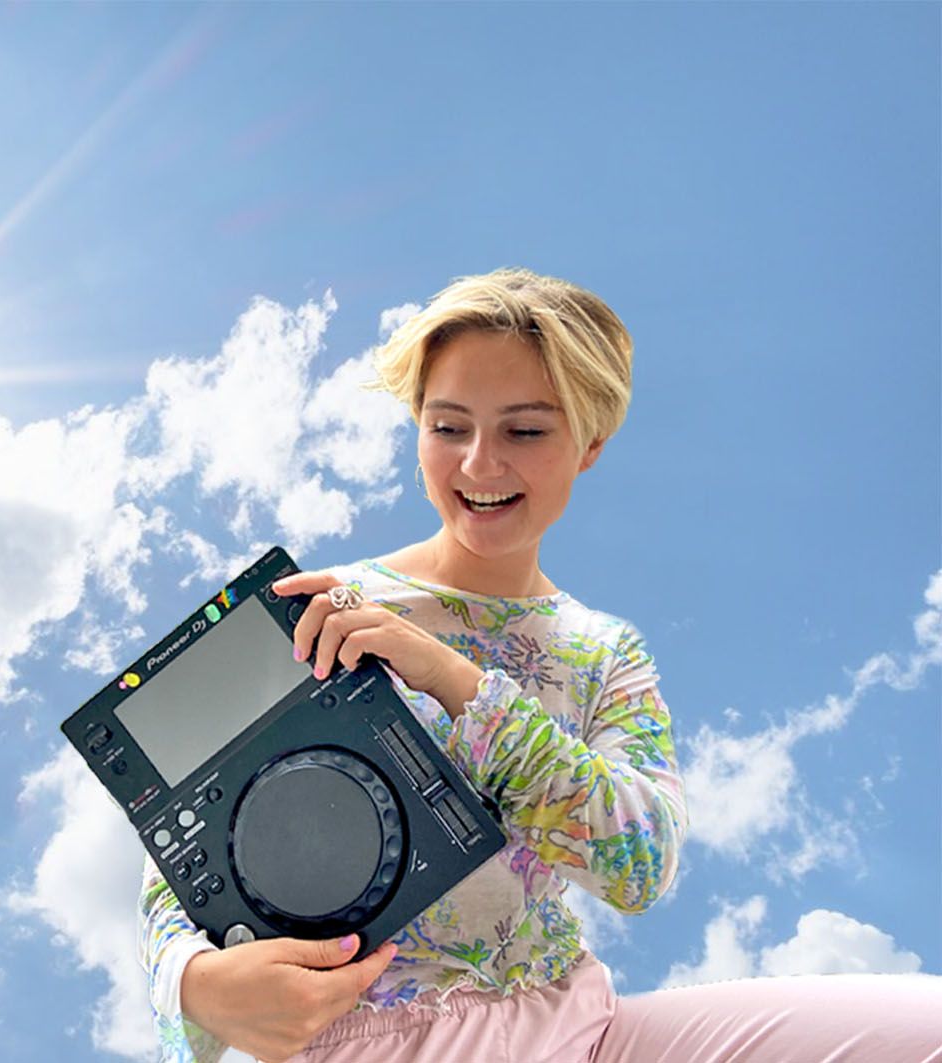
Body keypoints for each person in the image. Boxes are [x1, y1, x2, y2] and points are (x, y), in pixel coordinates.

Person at [136, 267, 942, 1063]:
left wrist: (455, 682)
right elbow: (179, 872)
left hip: (581, 1029)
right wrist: (196, 985)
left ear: (589, 445)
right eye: (447, 427)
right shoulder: (314, 610)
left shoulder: (603, 651)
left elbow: (640, 862)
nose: (478, 465)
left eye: (523, 432)